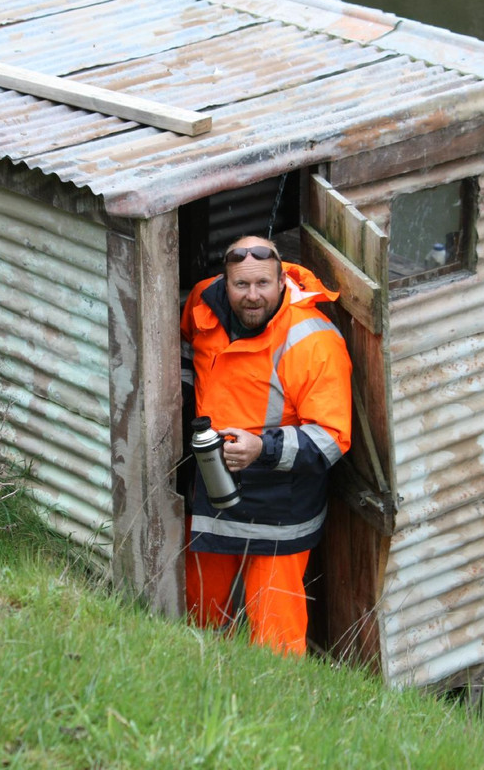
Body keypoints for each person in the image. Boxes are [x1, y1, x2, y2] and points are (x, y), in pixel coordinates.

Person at [180, 235, 353, 655]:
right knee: (195, 616)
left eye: (263, 285)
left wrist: (263, 448)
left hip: (280, 508)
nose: (252, 296)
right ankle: (201, 694)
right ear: (226, 281)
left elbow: (332, 439)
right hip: (213, 494)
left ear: (282, 282)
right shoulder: (203, 302)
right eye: (241, 285)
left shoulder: (315, 341)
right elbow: (185, 350)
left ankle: (276, 712)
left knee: (276, 638)